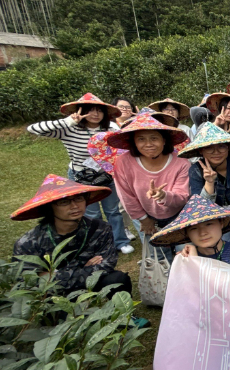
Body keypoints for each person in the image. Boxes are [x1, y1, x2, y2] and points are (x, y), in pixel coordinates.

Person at [149, 194, 230, 370]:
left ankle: (222, 369)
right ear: (186, 232)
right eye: (194, 228)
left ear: (222, 223)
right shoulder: (183, 261)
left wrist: (196, 264)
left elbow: (229, 293)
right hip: (199, 330)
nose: (203, 232)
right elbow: (179, 310)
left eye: (209, 224)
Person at [27, 93, 132, 255]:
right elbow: (33, 129)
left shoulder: (110, 128)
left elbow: (122, 148)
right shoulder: (68, 129)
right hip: (81, 176)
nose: (95, 114)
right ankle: (97, 243)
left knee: (113, 211)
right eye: (90, 110)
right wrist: (69, 121)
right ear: (80, 111)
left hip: (107, 175)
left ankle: (120, 241)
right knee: (91, 213)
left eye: (99, 111)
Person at [12, 174, 134, 300]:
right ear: (50, 207)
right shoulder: (28, 243)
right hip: (53, 296)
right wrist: (84, 268)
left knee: (118, 279)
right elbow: (29, 282)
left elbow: (106, 266)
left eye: (79, 199)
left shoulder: (100, 228)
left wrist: (54, 274)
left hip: (83, 283)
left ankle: (124, 316)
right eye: (64, 202)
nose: (74, 206)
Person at [110, 113, 191, 262]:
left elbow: (182, 195)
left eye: (154, 138)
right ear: (133, 142)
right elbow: (126, 195)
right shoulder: (123, 162)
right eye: (141, 139)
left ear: (164, 140)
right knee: (158, 257)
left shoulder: (182, 163)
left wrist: (163, 196)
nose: (148, 144)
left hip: (180, 215)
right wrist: (143, 219)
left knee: (186, 255)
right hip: (144, 215)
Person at [181, 122, 230, 267]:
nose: (216, 152)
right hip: (217, 220)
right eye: (209, 147)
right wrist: (209, 183)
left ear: (228, 147)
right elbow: (199, 208)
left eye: (221, 146)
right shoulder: (196, 172)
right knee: (223, 255)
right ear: (201, 150)